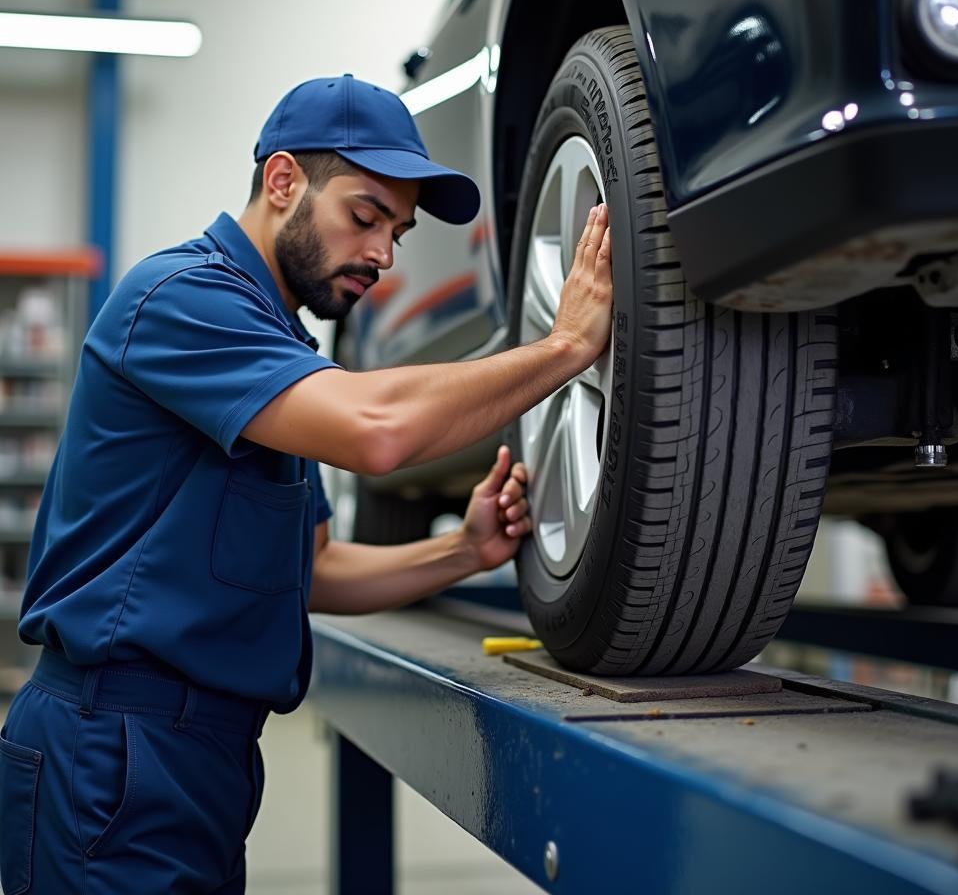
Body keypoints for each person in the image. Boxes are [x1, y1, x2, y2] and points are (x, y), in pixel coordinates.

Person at [0, 74, 613, 893]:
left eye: (397, 231)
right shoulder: (181, 297)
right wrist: (566, 347)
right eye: (365, 216)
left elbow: (313, 571)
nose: (383, 256)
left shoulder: (279, 348)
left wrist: (463, 552)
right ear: (283, 180)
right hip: (114, 747)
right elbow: (380, 431)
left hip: (197, 755)